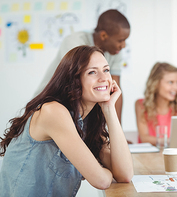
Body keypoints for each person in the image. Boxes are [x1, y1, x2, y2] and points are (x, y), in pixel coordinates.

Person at [0, 45, 133, 196]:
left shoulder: (88, 122)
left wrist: (109, 109)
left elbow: (125, 175)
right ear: (74, 80)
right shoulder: (53, 112)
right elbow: (101, 180)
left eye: (106, 70)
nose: (104, 78)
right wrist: (108, 172)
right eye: (92, 72)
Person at [36, 9, 130, 123]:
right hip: (50, 106)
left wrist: (118, 130)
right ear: (104, 35)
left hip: (80, 113)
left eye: (106, 70)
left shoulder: (114, 51)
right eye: (121, 40)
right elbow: (75, 86)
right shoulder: (74, 42)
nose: (123, 46)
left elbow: (114, 90)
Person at [135, 62, 177, 146]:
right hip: (147, 157)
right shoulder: (141, 105)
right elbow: (144, 138)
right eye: (170, 82)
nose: (176, 87)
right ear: (156, 84)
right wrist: (172, 141)